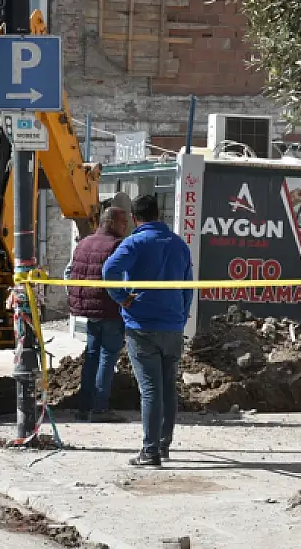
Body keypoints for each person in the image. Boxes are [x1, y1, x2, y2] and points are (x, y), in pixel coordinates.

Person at [102, 195, 193, 467]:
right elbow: (188, 284)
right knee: (168, 387)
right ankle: (163, 445)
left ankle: (150, 451)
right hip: (172, 324)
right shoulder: (178, 244)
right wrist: (181, 314)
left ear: (134, 218)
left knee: (151, 389)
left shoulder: (135, 242)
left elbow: (109, 270)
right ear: (159, 213)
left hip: (142, 325)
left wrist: (121, 297)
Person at [65, 207, 130, 423]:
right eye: (123, 223)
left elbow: (69, 272)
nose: (126, 227)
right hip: (110, 309)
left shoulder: (84, 243)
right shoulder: (117, 245)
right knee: (107, 357)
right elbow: (120, 277)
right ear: (110, 223)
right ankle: (100, 408)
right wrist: (125, 299)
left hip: (89, 310)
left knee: (92, 355)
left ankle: (84, 407)